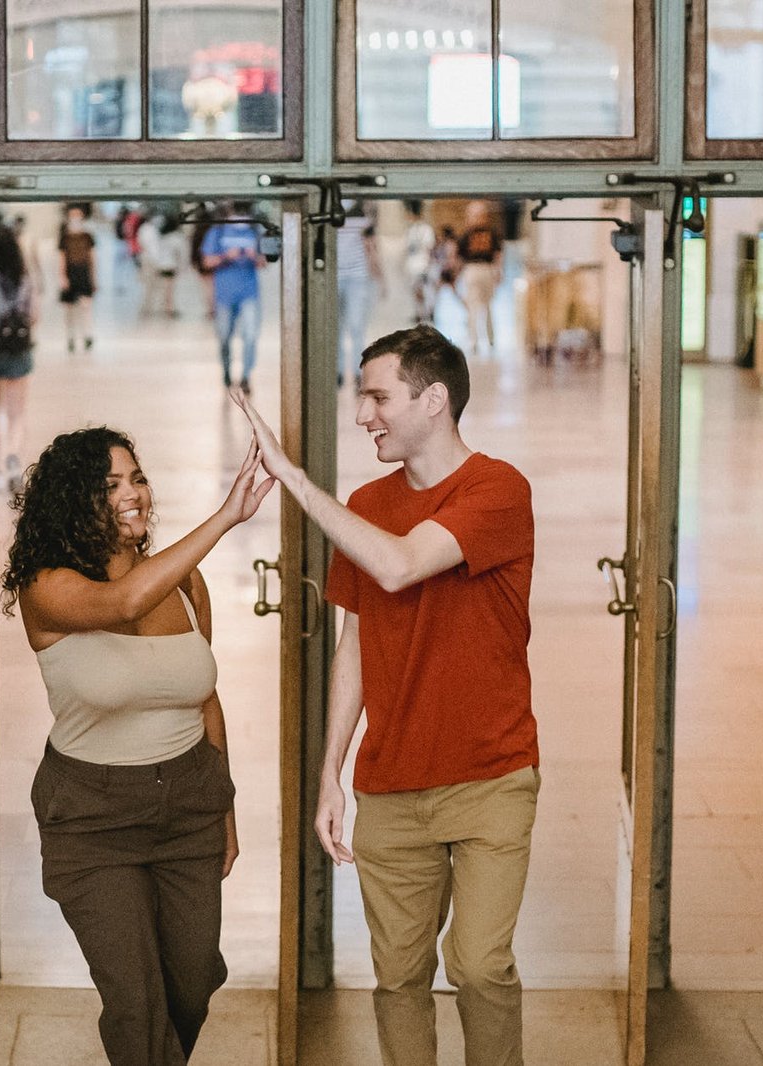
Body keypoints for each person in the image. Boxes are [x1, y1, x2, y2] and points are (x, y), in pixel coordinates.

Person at [232, 324, 538, 1066]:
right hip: (391, 784)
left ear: (433, 400)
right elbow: (357, 643)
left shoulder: (498, 489)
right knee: (399, 976)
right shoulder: (369, 500)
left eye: (378, 397)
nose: (364, 414)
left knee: (477, 965)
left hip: (490, 777)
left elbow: (402, 566)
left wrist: (298, 482)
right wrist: (329, 772)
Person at [1, 427, 275, 1066]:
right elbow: (123, 603)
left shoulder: (186, 583)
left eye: (137, 479)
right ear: (73, 501)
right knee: (136, 1002)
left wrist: (224, 813)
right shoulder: (49, 586)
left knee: (195, 979)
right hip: (93, 819)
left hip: (189, 808)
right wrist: (229, 516)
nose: (133, 495)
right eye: (110, 486)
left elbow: (207, 698)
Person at [200, 202, 264, 393]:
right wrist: (226, 256)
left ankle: (245, 376)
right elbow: (206, 261)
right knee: (224, 337)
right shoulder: (217, 232)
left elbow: (264, 262)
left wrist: (254, 257)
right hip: (224, 295)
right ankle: (227, 371)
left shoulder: (255, 230)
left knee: (250, 335)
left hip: (249, 293)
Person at [0, 222, 38, 495]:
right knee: (16, 414)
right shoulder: (25, 278)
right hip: (19, 349)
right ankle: (12, 460)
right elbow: (35, 316)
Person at [336, 199, 387, 389]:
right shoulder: (336, 215)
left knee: (353, 327)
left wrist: (380, 279)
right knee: (345, 328)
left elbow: (371, 249)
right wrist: (382, 280)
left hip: (356, 278)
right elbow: (372, 250)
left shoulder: (360, 219)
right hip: (341, 277)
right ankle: (341, 372)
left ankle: (353, 373)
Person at [456, 201, 503, 356]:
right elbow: (498, 254)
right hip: (479, 269)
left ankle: (481, 340)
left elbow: (459, 257)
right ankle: (482, 340)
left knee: (479, 307)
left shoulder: (470, 234)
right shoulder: (489, 233)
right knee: (481, 307)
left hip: (478, 269)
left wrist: (498, 270)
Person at [59, 203, 98, 352]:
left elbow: (92, 258)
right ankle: (71, 337)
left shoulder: (87, 236)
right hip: (70, 273)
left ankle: (87, 335)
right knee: (69, 309)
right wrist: (62, 277)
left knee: (86, 306)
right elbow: (61, 258)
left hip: (83, 273)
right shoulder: (65, 237)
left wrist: (94, 278)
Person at [402, 200, 437, 326]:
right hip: (414, 265)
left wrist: (428, 264)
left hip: (422, 264)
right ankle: (421, 313)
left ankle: (427, 313)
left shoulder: (424, 229)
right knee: (417, 290)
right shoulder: (411, 230)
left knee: (425, 290)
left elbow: (429, 248)